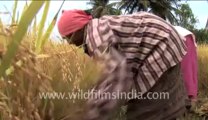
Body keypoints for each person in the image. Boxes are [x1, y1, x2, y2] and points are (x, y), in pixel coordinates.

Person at [58, 10, 187, 120]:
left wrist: (92, 113)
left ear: (77, 29)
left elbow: (118, 77)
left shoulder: (95, 38)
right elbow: (106, 74)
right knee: (152, 107)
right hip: (164, 38)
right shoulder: (95, 30)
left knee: (146, 110)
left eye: (67, 37)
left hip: (162, 43)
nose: (69, 43)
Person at [174, 26, 198, 109]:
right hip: (187, 37)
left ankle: (186, 97)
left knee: (186, 69)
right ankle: (190, 96)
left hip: (182, 38)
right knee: (190, 69)